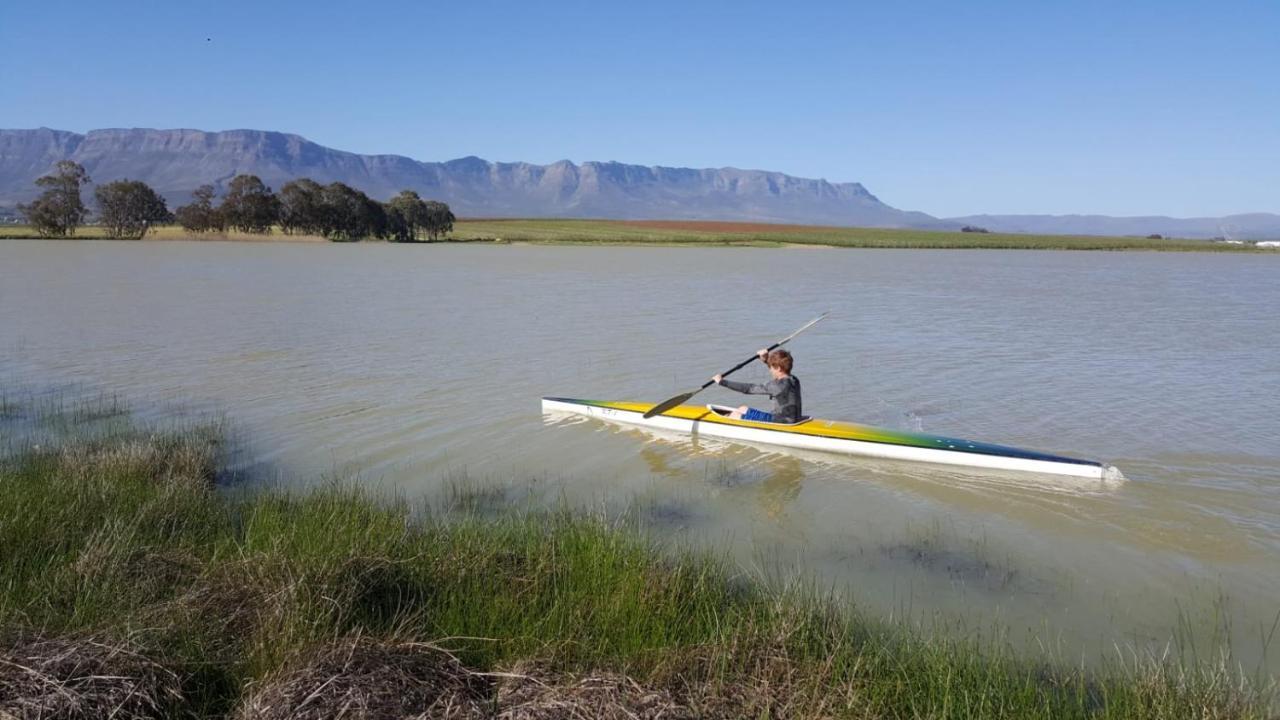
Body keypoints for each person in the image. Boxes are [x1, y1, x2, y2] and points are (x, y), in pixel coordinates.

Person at [712, 348, 801, 423]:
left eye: (772, 368)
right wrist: (766, 359)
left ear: (778, 368)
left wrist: (722, 382)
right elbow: (779, 370)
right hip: (791, 418)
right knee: (743, 409)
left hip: (781, 422)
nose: (770, 371)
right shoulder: (794, 379)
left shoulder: (776, 386)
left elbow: (748, 389)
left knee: (735, 415)